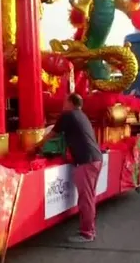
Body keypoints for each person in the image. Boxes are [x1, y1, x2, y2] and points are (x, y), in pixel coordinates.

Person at [35, 93, 103, 243]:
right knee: (89, 197)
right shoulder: (81, 115)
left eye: (65, 101)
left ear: (71, 102)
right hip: (94, 159)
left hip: (86, 161)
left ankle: (87, 233)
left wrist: (35, 147)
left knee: (86, 199)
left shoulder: (67, 116)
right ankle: (88, 229)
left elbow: (51, 135)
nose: (63, 104)